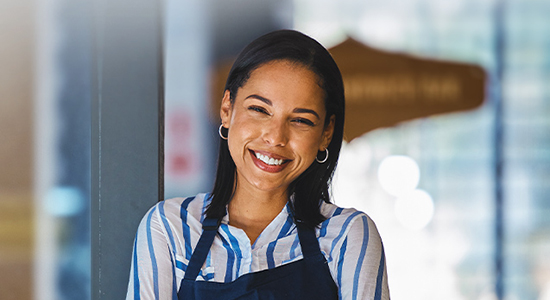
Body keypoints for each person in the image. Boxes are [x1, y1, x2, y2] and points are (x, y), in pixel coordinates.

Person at [126, 29, 389, 300]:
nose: (275, 137)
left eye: (300, 120)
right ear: (227, 109)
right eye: (260, 110)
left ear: (326, 133)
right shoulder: (170, 228)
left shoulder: (348, 236)